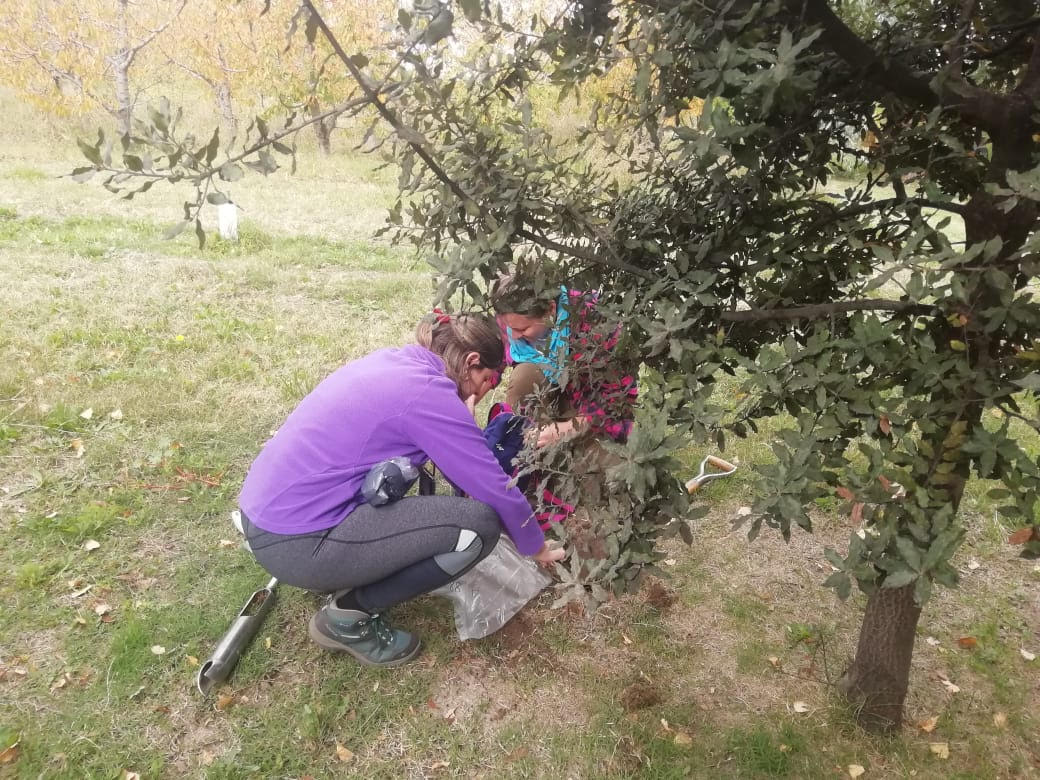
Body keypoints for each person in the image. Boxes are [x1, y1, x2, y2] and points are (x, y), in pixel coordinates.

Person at [237, 311, 564, 668]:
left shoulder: (397, 362)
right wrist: (535, 545)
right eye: (485, 379)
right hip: (297, 543)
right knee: (478, 527)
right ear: (471, 361)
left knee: (438, 515)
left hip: (268, 516)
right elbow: (494, 487)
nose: (482, 392)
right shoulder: (428, 394)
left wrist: (460, 424)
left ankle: (342, 569)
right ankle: (347, 618)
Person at [492, 278, 638, 448]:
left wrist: (567, 429)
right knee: (523, 376)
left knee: (604, 467)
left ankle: (567, 454)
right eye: (511, 328)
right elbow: (492, 359)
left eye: (523, 329)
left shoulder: (596, 319)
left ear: (551, 310)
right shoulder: (511, 316)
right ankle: (524, 451)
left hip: (588, 408)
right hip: (546, 395)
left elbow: (619, 400)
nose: (514, 336)